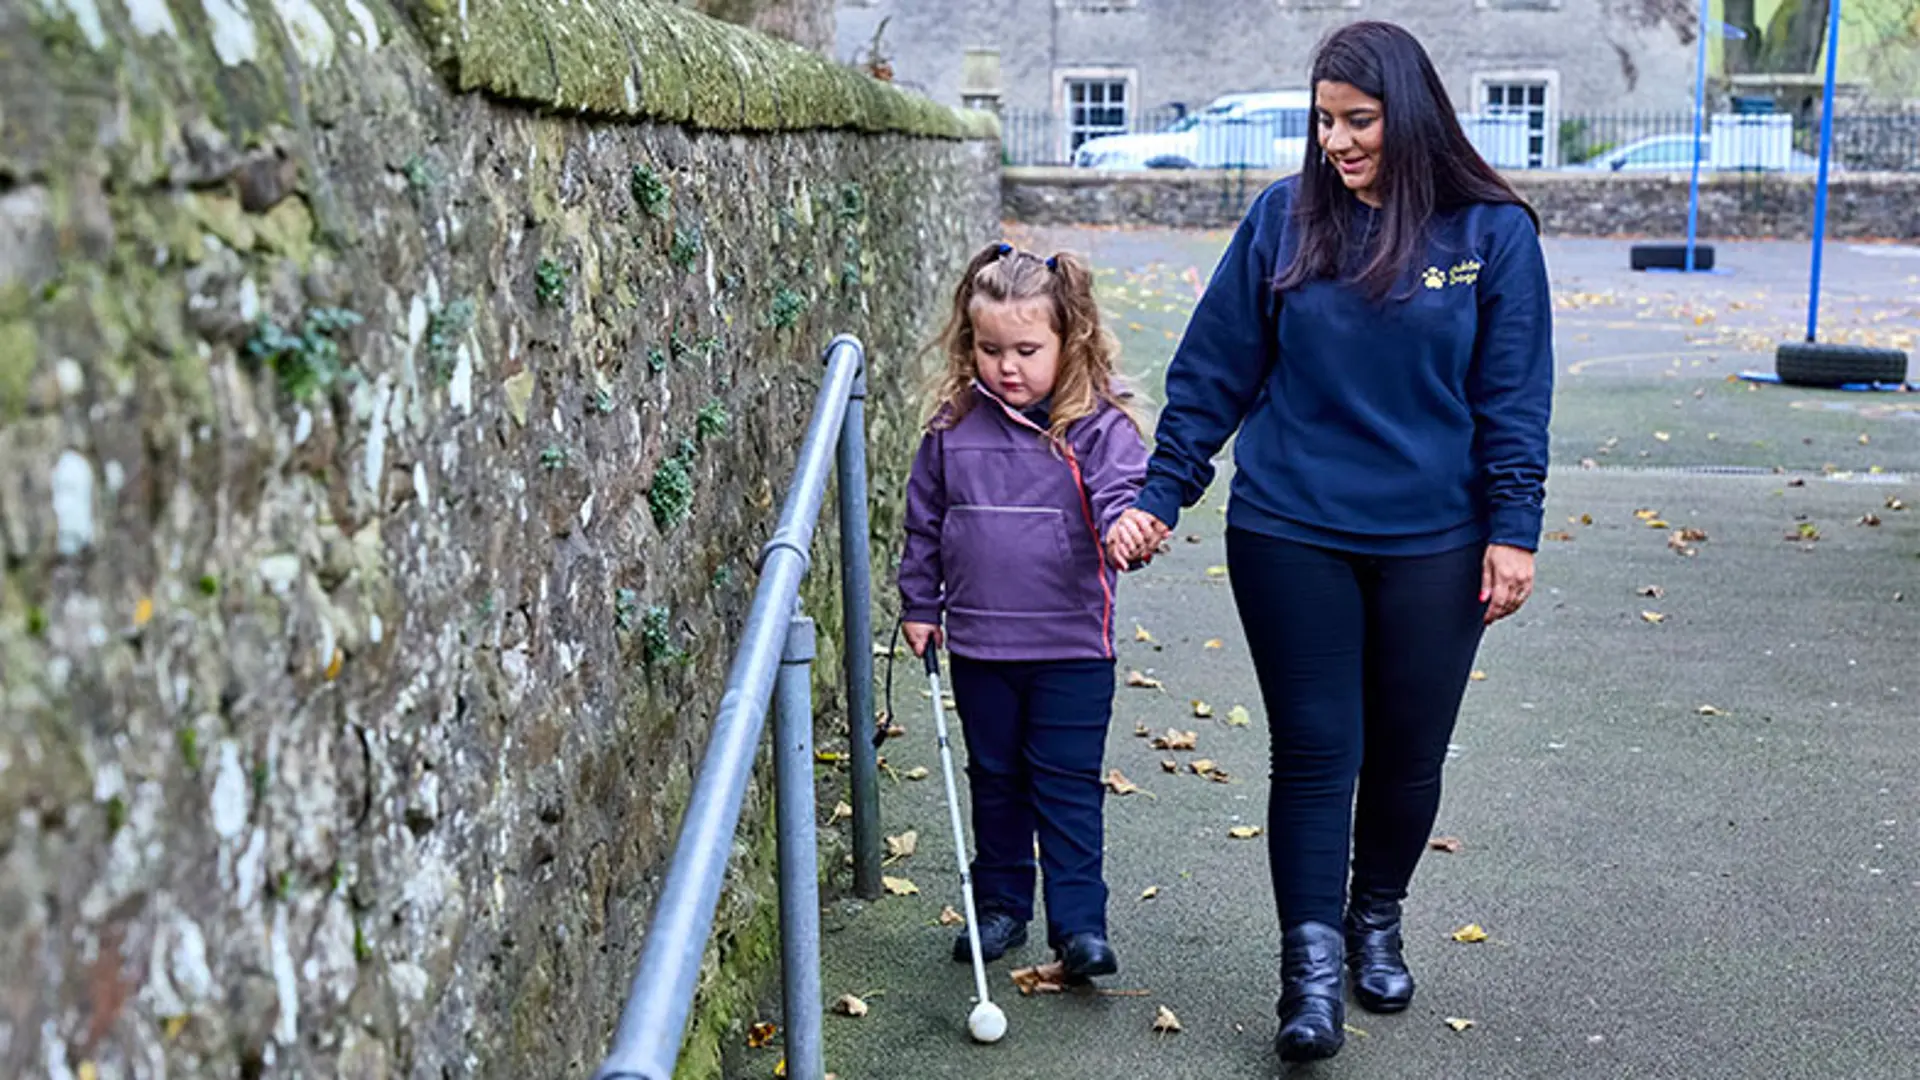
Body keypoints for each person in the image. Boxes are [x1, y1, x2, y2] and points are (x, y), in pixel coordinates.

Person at [1107, 21, 1555, 1064]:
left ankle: (1376, 920)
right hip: (1291, 528)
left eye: (1358, 120)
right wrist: (1163, 495)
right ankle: (1308, 979)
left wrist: (1514, 529)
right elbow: (1214, 369)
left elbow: (1513, 399)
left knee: (1405, 756)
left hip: (1437, 540)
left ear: (1412, 114)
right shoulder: (1282, 222)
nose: (1337, 140)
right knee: (1316, 753)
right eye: (1323, 120)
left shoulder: (1490, 234)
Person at [898, 241, 1149, 982]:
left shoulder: (1094, 426)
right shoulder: (952, 427)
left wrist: (1126, 527)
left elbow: (1121, 496)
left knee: (1067, 784)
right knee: (997, 777)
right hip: (980, 644)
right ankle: (1001, 903)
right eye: (990, 349)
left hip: (1072, 644)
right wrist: (920, 602)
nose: (1007, 367)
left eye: (1027, 350)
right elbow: (924, 521)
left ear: (1070, 341)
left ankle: (1080, 925)